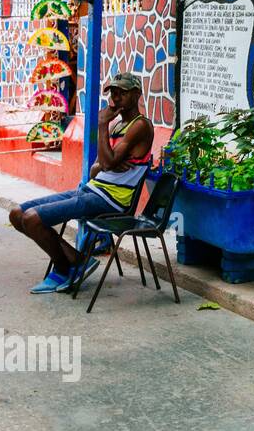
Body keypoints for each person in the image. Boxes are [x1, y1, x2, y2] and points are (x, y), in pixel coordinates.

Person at [10, 72, 155, 293]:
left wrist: (102, 126)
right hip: (91, 191)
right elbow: (97, 167)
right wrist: (107, 162)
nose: (115, 98)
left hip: (111, 201)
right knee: (17, 214)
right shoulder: (118, 126)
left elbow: (105, 164)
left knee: (32, 219)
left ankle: (63, 268)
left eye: (122, 93)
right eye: (113, 93)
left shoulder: (140, 125)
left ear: (136, 95)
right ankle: (78, 260)